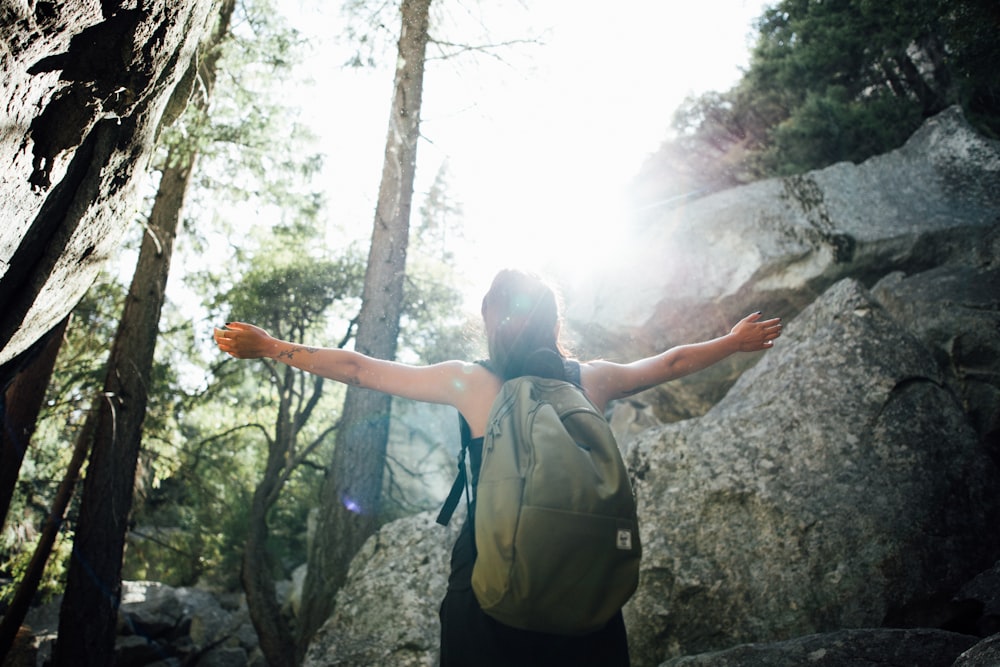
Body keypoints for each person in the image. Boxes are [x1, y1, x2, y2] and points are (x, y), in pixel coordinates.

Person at [213, 268, 782, 666]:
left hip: (489, 567)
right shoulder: (592, 379)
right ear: (553, 323)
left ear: (492, 320)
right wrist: (733, 342)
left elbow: (361, 370)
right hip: (585, 574)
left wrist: (271, 347)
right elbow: (674, 360)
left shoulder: (471, 380)